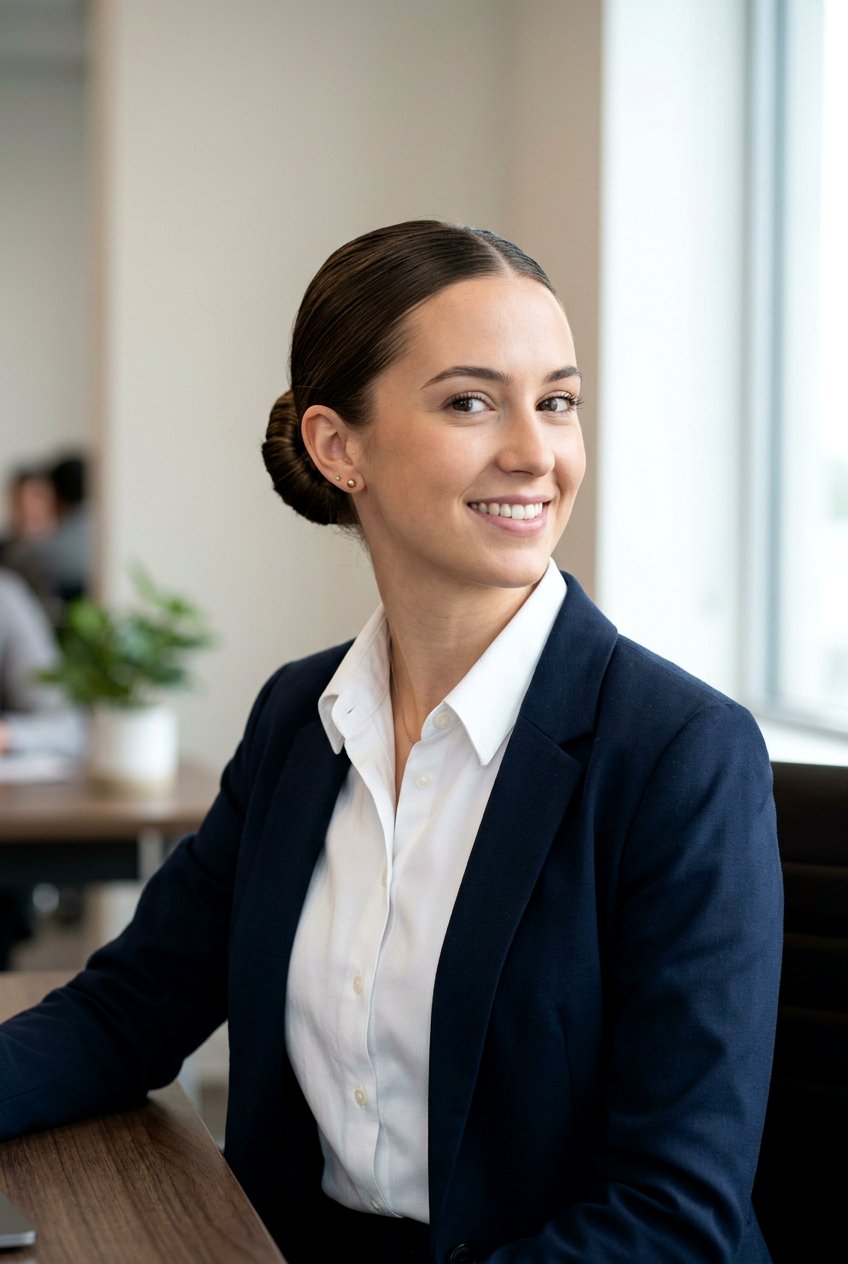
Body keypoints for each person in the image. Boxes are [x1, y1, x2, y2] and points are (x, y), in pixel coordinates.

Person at [0, 221, 783, 1263]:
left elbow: (670, 1210)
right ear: (339, 446)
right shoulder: (299, 717)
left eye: (555, 401)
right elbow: (128, 1009)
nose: (533, 451)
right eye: (470, 401)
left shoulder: (679, 754)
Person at [1, 453, 90, 631]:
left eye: (39, 497)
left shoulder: (69, 549)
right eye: (21, 499)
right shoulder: (7, 551)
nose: (29, 507)